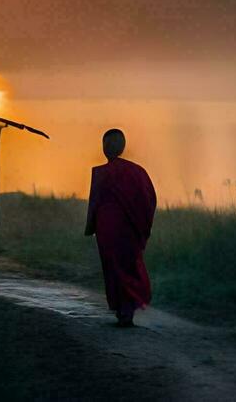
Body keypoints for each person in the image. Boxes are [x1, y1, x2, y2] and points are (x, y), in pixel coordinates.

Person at [84, 127, 157, 327]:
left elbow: (95, 203)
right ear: (123, 147)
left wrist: (91, 227)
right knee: (129, 267)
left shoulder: (102, 173)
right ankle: (126, 310)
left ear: (104, 149)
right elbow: (150, 200)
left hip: (108, 230)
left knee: (115, 268)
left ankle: (122, 309)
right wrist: (143, 225)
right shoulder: (138, 173)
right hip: (129, 230)